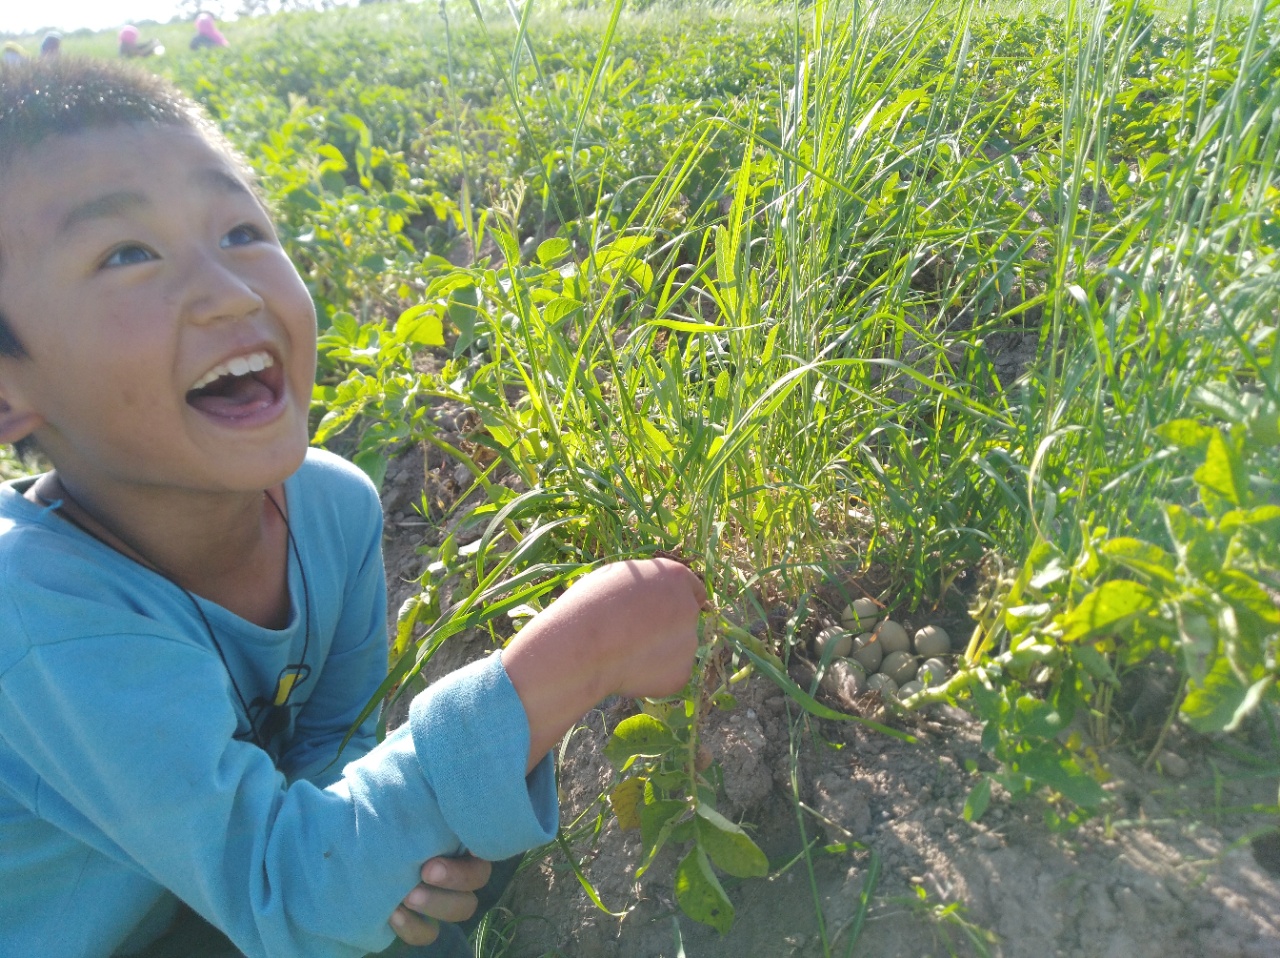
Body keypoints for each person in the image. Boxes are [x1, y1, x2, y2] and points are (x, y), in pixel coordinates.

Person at [0, 58, 707, 958]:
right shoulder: (37, 615)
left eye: (240, 231)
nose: (231, 292)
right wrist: (577, 657)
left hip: (202, 895)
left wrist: (384, 865)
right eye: (126, 255)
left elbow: (336, 739)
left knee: (445, 870)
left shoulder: (333, 507)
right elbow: (289, 894)